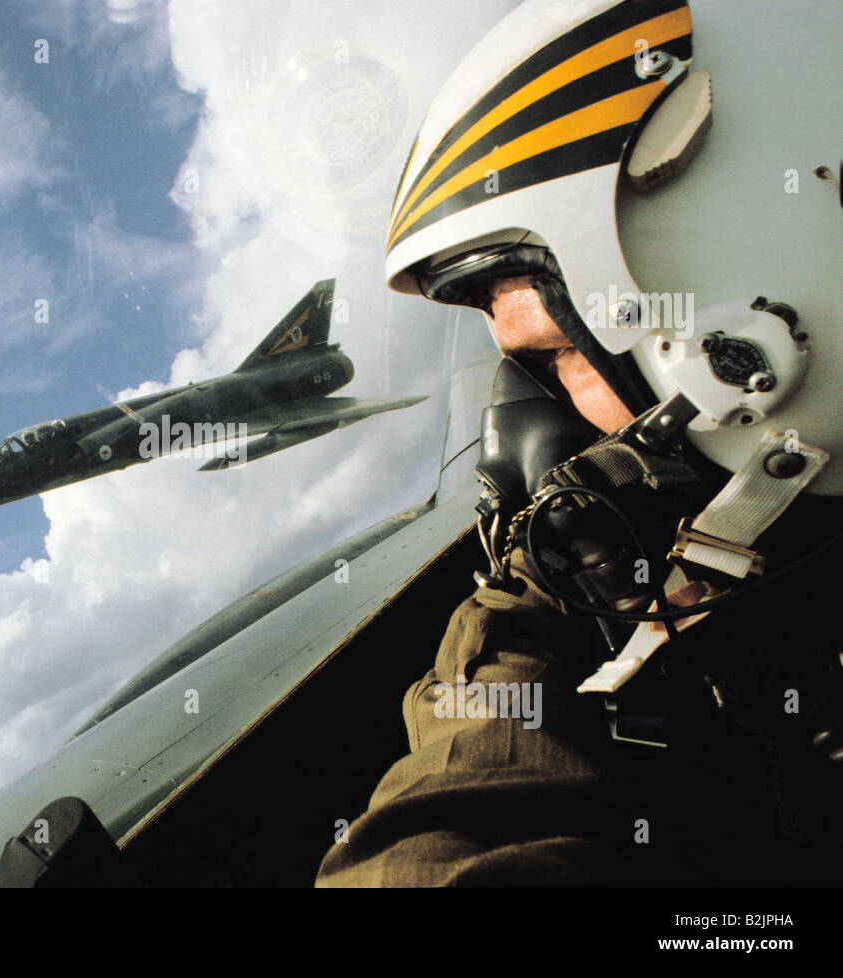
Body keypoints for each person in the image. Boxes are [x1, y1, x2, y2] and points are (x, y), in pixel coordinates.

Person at [316, 0, 843, 886]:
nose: (562, 407)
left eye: (558, 354)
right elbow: (489, 712)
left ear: (745, 348)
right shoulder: (651, 515)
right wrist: (565, 559)